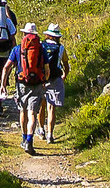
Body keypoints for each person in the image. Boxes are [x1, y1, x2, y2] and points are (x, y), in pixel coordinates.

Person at [5, 20, 51, 154]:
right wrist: (44, 81)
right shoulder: (41, 49)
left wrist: (3, 82)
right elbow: (47, 70)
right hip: (36, 84)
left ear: (24, 34)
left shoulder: (17, 49)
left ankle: (24, 138)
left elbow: (7, 66)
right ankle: (30, 140)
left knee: (22, 111)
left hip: (21, 84)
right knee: (32, 114)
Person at [42, 21, 69, 143]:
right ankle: (50, 135)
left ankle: (41, 129)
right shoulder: (61, 48)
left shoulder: (41, 46)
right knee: (51, 107)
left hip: (42, 79)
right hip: (54, 78)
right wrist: (64, 76)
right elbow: (66, 65)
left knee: (41, 105)